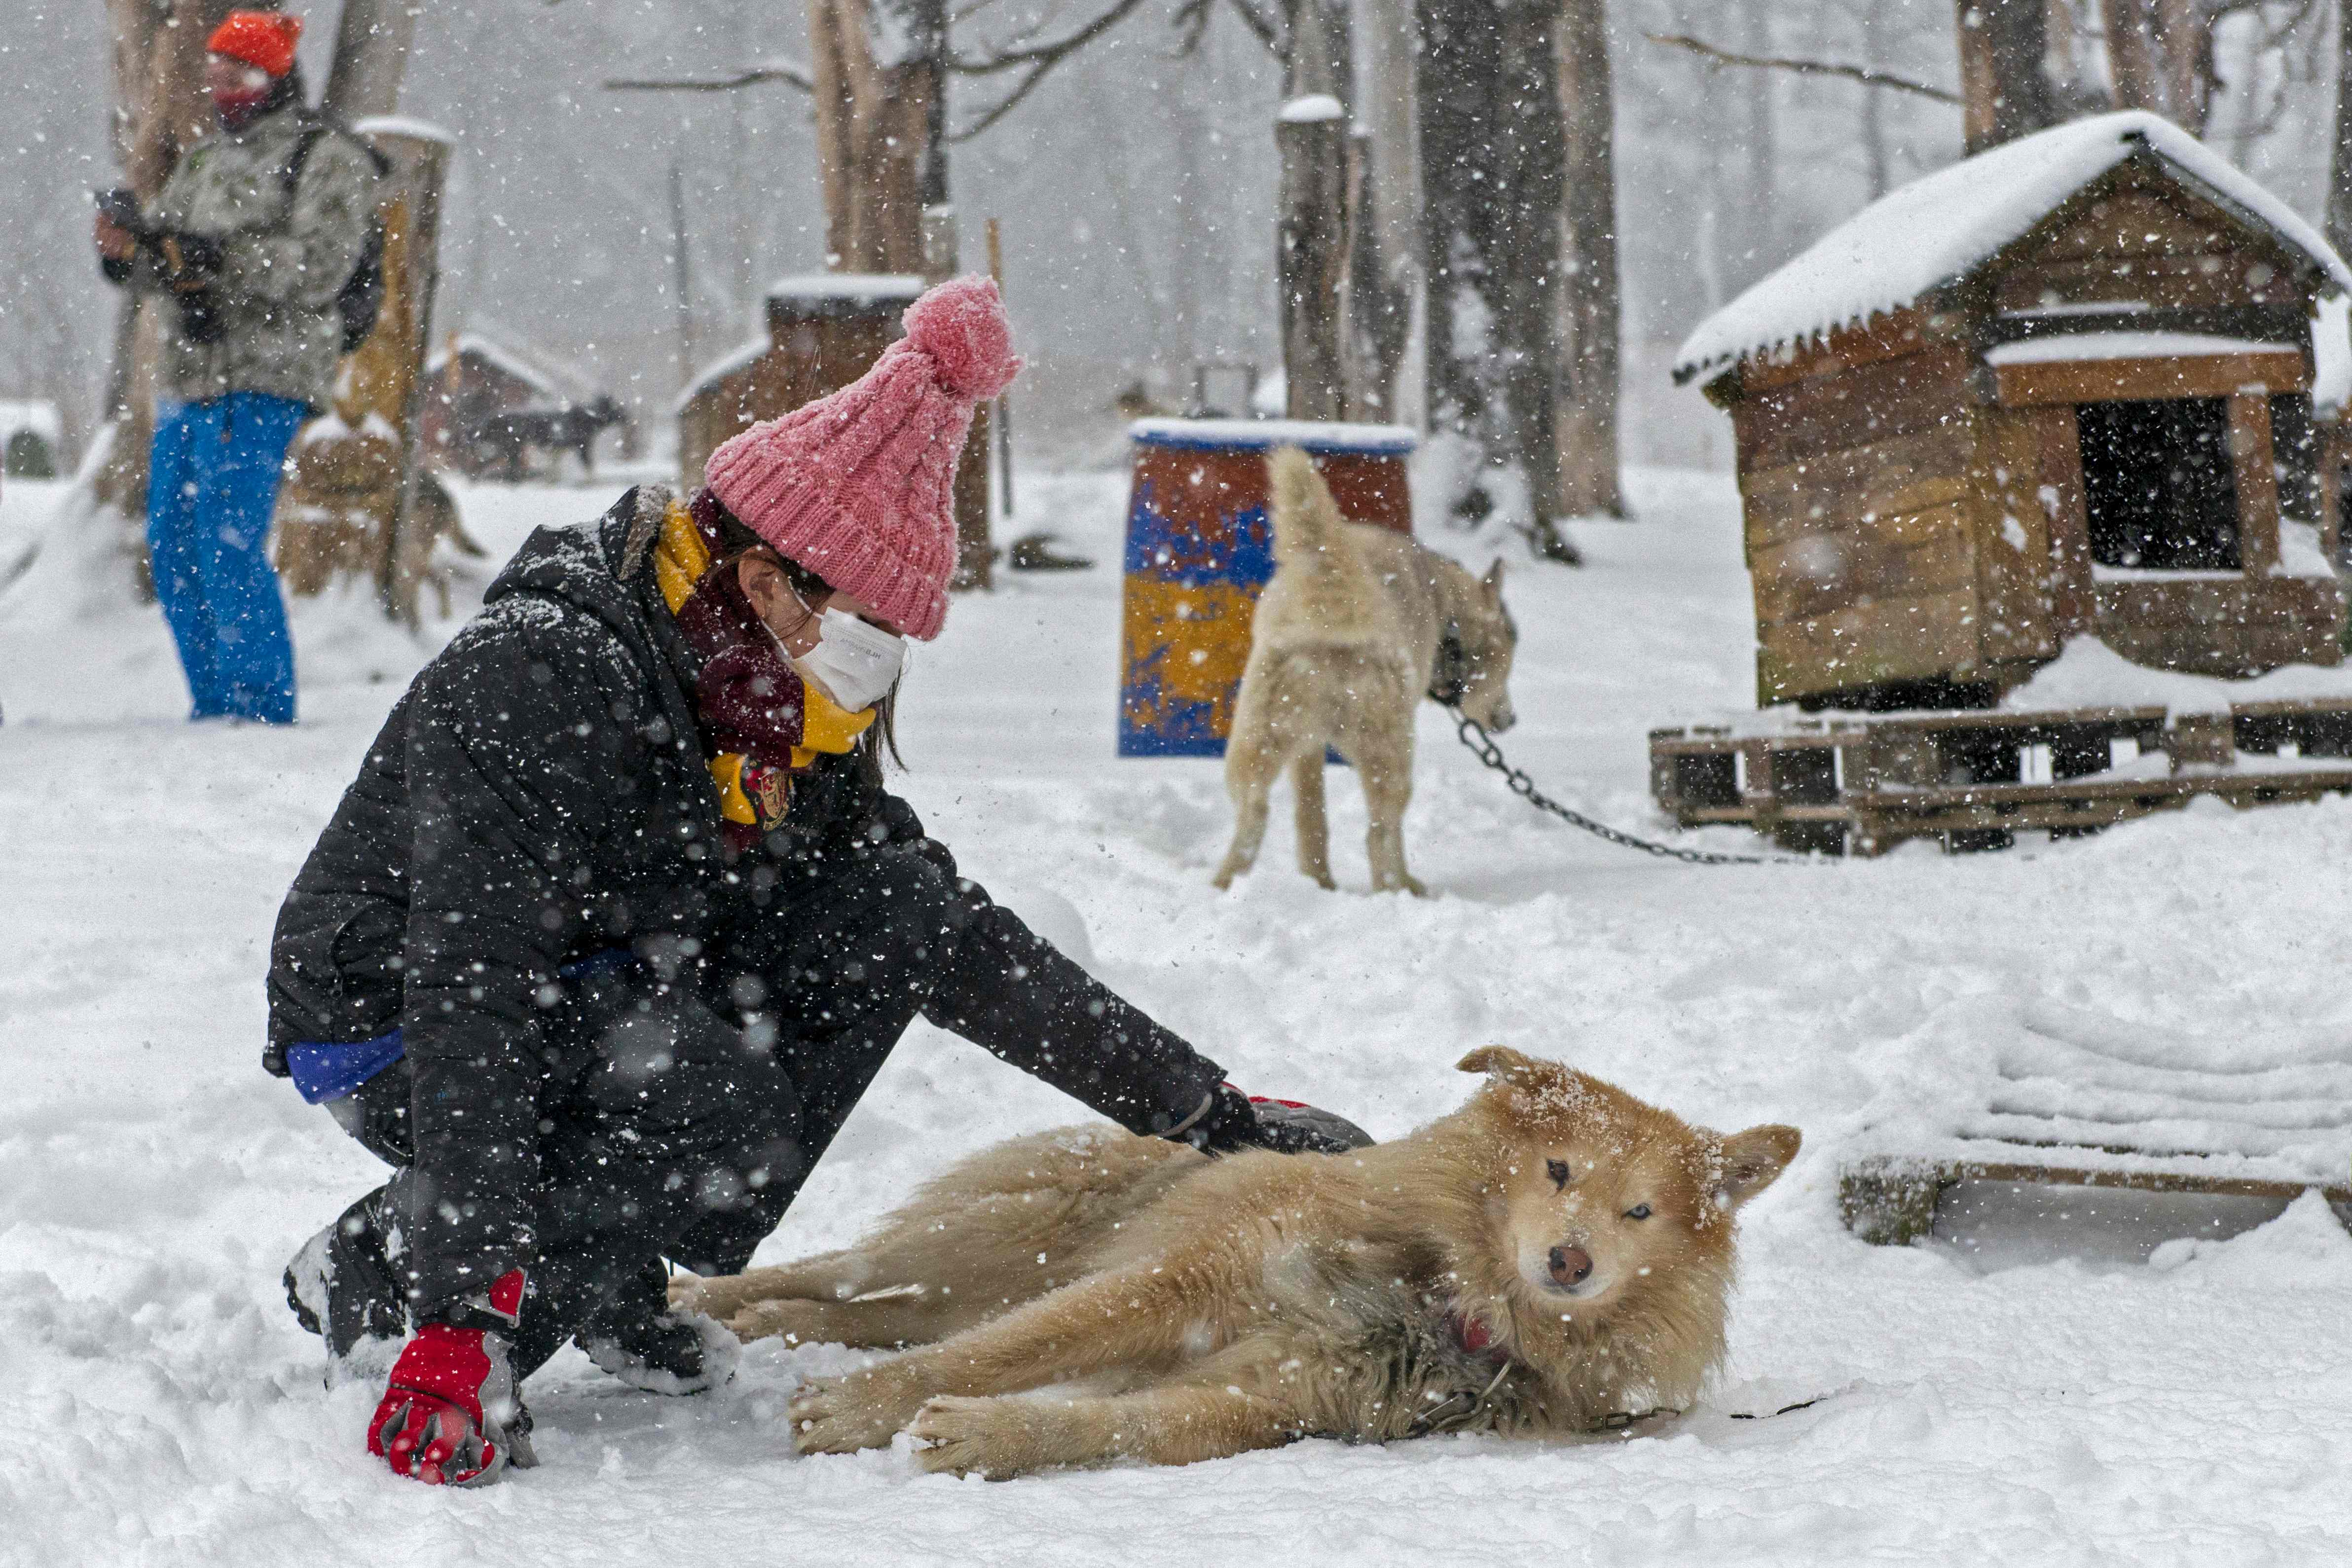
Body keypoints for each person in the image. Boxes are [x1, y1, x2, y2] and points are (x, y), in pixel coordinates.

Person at [266, 276, 1367, 1487]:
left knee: (881, 926)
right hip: (392, 1010)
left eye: (888, 647)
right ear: (762, 575)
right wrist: (463, 1313)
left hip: (609, 974)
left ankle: (599, 1263)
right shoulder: (544, 675)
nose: (863, 671)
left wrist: (1209, 1114)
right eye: (856, 627)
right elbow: (474, 985)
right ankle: (384, 1276)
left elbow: (953, 939)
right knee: (710, 1105)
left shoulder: (776, 722)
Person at [95, 10, 378, 723]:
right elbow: (169, 263)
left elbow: (321, 266)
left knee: (228, 542)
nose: (224, 89)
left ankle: (258, 709)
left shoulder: (324, 156)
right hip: (189, 378)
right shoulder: (203, 163)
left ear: (278, 76)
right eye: (216, 75)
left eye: (241, 74)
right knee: (173, 546)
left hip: (266, 375)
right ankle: (214, 706)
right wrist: (128, 250)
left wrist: (217, 259)